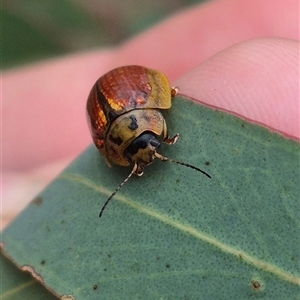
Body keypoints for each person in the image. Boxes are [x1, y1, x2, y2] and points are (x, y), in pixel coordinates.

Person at [2, 0, 299, 228]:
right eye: (151, 147)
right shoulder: (117, 139)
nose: (146, 155)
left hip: (129, 91)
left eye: (147, 147)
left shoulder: (135, 126)